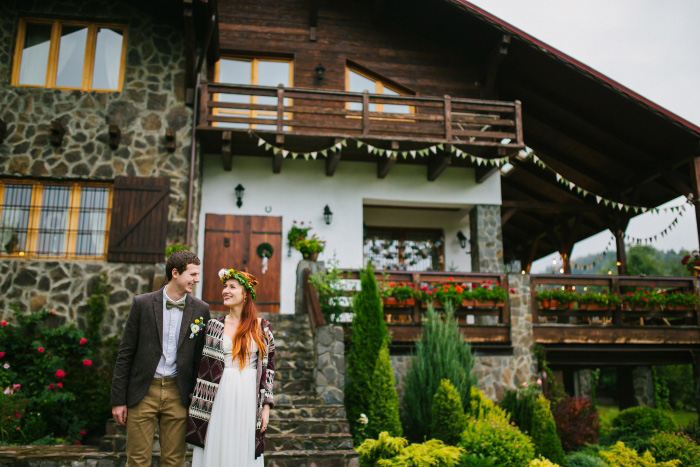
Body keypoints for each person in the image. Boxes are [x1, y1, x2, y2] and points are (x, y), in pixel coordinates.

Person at [110, 250, 211, 467]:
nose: (197, 279)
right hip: (142, 391)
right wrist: (118, 400)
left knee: (174, 461)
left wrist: (196, 395)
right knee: (137, 460)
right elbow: (125, 352)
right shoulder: (142, 304)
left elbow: (200, 358)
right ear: (175, 273)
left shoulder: (201, 309)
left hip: (178, 391)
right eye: (192, 274)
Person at [186, 268, 275, 466]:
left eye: (232, 287)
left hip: (249, 398)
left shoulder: (263, 328)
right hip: (219, 396)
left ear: (245, 294)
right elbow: (200, 364)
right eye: (225, 286)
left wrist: (266, 406)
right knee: (218, 446)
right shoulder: (213, 326)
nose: (225, 290)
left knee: (242, 449)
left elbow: (269, 370)